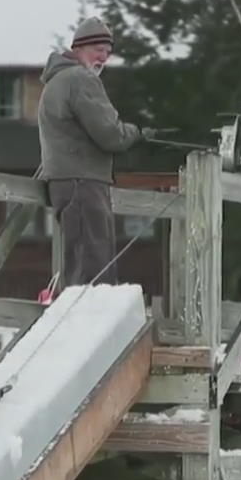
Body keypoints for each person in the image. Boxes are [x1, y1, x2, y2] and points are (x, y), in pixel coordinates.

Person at [37, 16, 150, 291]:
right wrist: (138, 133)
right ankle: (87, 329)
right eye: (99, 49)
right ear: (79, 47)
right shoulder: (80, 78)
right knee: (93, 273)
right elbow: (110, 133)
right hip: (83, 182)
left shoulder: (55, 82)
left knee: (78, 267)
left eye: (108, 53)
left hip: (67, 183)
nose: (104, 57)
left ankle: (78, 326)